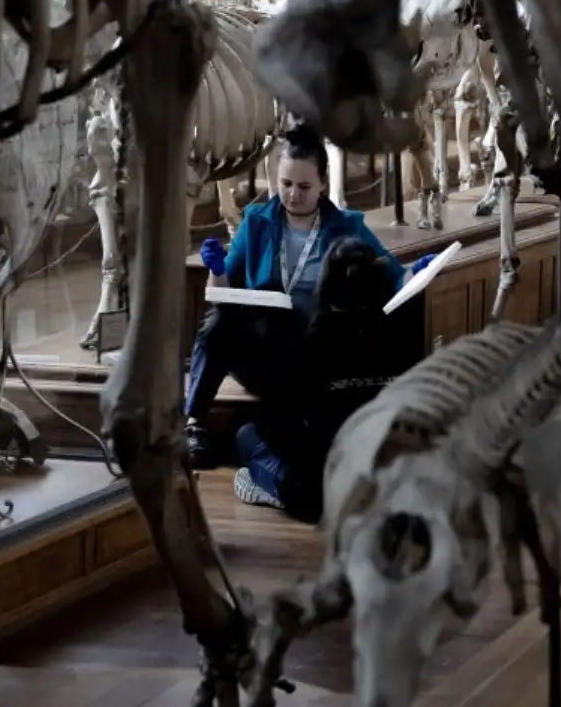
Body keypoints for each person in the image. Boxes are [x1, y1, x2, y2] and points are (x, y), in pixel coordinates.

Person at [185, 123, 434, 468]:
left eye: (304, 186)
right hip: (263, 349)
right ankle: (194, 423)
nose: (292, 195)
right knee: (218, 322)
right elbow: (219, 294)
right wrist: (218, 269)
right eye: (286, 184)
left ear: (322, 185)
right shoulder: (257, 221)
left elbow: (391, 275)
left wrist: (414, 274)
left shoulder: (346, 226)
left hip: (316, 355)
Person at [230, 235, 425, 517]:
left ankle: (270, 487)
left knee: (246, 436)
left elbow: (276, 425)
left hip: (322, 492)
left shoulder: (310, 345)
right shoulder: (402, 336)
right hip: (393, 481)